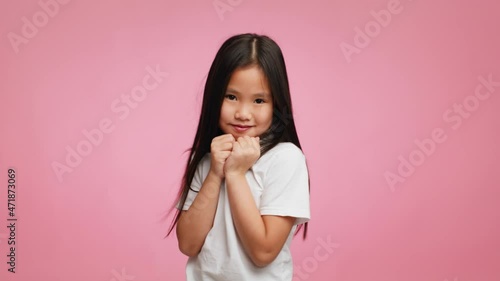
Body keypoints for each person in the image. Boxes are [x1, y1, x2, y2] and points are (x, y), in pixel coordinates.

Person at [166, 33, 311, 281]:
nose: (243, 113)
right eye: (231, 97)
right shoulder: (207, 158)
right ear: (214, 97)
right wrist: (214, 173)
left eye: (259, 100)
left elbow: (263, 252)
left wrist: (234, 174)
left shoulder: (286, 159)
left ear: (276, 104)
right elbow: (188, 245)